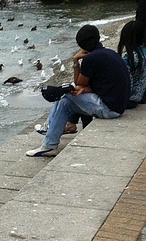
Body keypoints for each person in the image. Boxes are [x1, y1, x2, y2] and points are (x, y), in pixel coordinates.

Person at [27, 24, 131, 157]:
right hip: (118, 105)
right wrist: (85, 88)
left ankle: (48, 127)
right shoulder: (109, 53)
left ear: (81, 44)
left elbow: (78, 83)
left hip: (109, 108)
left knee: (66, 93)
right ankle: (50, 145)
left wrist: (75, 61)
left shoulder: (91, 58)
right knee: (65, 104)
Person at [118, 20, 146, 107]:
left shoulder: (129, 59)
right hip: (140, 95)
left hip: (130, 100)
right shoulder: (143, 52)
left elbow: (126, 84)